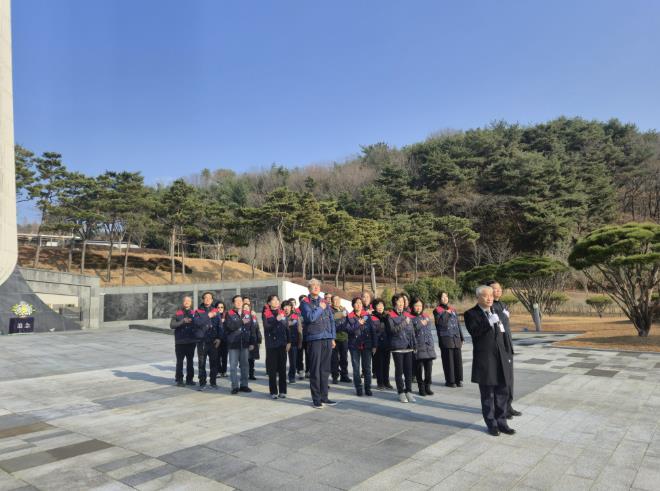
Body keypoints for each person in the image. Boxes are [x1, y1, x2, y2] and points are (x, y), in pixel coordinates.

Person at [464, 285, 515, 436]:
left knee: (502, 391)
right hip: (485, 360)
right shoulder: (471, 314)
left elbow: (503, 335)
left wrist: (507, 354)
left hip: (501, 358)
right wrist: (488, 322)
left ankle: (502, 422)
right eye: (486, 295)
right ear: (478, 297)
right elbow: (474, 332)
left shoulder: (496, 311)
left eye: (491, 295)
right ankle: (491, 424)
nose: (490, 298)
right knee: (488, 394)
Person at [486, 280, 521, 418]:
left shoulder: (503, 304)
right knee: (501, 380)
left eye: (499, 288)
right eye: (495, 289)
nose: (498, 290)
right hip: (498, 348)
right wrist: (503, 315)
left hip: (507, 345)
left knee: (510, 379)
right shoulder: (490, 307)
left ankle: (508, 405)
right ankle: (501, 408)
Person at [300, 278, 337, 409]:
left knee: (325, 370)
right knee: (315, 370)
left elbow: (331, 320)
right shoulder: (305, 302)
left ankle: (324, 397)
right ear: (309, 288)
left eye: (318, 286)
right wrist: (320, 308)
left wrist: (332, 337)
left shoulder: (325, 302)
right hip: (314, 338)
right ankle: (316, 399)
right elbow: (310, 317)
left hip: (327, 338)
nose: (316, 287)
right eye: (313, 286)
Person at [387, 294, 417, 403]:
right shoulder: (390, 316)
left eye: (403, 302)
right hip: (397, 347)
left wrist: (414, 344)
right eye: (399, 301)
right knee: (399, 371)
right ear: (394, 303)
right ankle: (401, 392)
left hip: (408, 347)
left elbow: (412, 331)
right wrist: (404, 323)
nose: (401, 304)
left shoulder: (407, 314)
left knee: (408, 371)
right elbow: (392, 330)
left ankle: (408, 391)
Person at [224, 295, 256, 394]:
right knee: (233, 366)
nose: (238, 302)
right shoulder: (229, 314)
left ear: (243, 302)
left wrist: (252, 342)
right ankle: (234, 386)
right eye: (236, 301)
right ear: (233, 303)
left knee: (245, 365)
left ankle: (244, 385)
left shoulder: (247, 314)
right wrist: (241, 321)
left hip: (245, 343)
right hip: (233, 344)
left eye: (240, 301)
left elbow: (252, 329)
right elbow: (230, 327)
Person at [262, 295, 291, 399]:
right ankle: (273, 391)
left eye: (277, 300)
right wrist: (276, 320)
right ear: (269, 303)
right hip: (271, 345)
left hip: (282, 344)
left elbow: (287, 328)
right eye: (273, 300)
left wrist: (289, 341)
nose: (276, 301)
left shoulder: (282, 312)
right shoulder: (266, 313)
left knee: (282, 369)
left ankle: (283, 391)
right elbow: (266, 327)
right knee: (272, 370)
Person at [434, 291, 464, 388]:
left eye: (446, 296)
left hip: (456, 338)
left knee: (457, 360)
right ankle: (450, 381)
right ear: (439, 299)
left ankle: (458, 380)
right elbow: (440, 323)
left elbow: (458, 324)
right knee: (448, 361)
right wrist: (446, 313)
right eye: (442, 297)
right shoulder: (437, 310)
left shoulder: (453, 309)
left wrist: (461, 337)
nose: (445, 298)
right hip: (446, 339)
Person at [346, 297, 375, 396]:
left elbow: (372, 330)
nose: (358, 305)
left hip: (366, 345)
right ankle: (358, 388)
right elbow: (349, 330)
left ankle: (368, 388)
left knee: (367, 368)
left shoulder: (367, 316)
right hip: (354, 345)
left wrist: (374, 345)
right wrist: (358, 323)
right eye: (356, 303)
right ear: (353, 305)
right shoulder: (349, 316)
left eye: (360, 303)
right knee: (356, 368)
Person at [193, 292, 222, 390]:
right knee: (202, 363)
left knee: (214, 363)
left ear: (212, 300)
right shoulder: (198, 311)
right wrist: (208, 316)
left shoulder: (216, 310)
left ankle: (213, 382)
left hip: (213, 341)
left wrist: (219, 338)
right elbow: (196, 323)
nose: (207, 299)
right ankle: (202, 383)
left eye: (209, 298)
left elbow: (220, 326)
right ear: (203, 299)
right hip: (202, 341)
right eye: (205, 298)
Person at [410, 297, 436, 396]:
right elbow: (411, 332)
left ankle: (427, 386)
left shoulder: (426, 316)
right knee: (418, 369)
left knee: (429, 369)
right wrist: (420, 324)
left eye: (420, 306)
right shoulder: (410, 318)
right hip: (418, 347)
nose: (418, 308)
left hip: (428, 347)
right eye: (416, 305)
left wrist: (431, 344)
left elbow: (429, 332)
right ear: (412, 306)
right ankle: (421, 387)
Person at [170, 296, 197, 387]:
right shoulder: (177, 313)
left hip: (191, 341)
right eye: (185, 300)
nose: (187, 302)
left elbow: (198, 324)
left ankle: (189, 379)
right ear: (183, 302)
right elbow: (172, 325)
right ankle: (179, 380)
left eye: (189, 301)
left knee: (190, 361)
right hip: (180, 342)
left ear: (191, 303)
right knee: (180, 362)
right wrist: (182, 321)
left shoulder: (194, 313)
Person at [370, 298, 393, 390]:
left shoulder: (387, 316)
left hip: (387, 343)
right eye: (378, 305)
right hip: (377, 344)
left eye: (381, 305)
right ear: (374, 307)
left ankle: (386, 382)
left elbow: (390, 330)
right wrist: (374, 345)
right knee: (379, 364)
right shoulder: (372, 317)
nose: (380, 307)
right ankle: (380, 383)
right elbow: (372, 332)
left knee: (386, 364)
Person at [331, 295, 350, 384]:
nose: (337, 301)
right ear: (332, 301)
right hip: (334, 338)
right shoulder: (330, 310)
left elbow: (349, 319)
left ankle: (344, 375)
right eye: (335, 300)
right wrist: (341, 314)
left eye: (338, 299)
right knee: (334, 359)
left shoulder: (344, 309)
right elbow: (331, 317)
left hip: (344, 337)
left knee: (344, 358)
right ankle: (335, 376)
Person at [282, 300, 302, 384]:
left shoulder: (295, 316)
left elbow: (299, 329)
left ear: (291, 307)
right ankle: (282, 377)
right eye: (284, 306)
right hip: (282, 342)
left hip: (293, 341)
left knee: (293, 361)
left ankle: (291, 376)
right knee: (282, 361)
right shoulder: (280, 316)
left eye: (288, 306)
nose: (286, 308)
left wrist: (300, 342)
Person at [243, 297, 261, 380]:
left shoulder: (253, 316)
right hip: (245, 339)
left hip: (253, 339)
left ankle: (251, 374)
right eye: (244, 307)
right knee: (245, 359)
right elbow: (244, 324)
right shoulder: (243, 316)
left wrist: (259, 337)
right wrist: (247, 316)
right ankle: (245, 374)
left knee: (251, 359)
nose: (246, 309)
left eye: (248, 307)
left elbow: (257, 327)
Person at [214, 301, 229, 378]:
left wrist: (225, 321)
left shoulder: (227, 315)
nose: (220, 308)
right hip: (216, 338)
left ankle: (224, 371)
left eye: (221, 307)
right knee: (217, 356)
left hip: (225, 339)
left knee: (224, 356)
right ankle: (218, 371)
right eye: (218, 307)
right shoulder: (214, 315)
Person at [296, 294, 309, 380]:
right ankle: (300, 371)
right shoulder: (296, 311)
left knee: (309, 355)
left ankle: (308, 370)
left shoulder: (309, 310)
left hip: (308, 336)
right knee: (299, 355)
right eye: (302, 301)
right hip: (299, 336)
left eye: (306, 300)